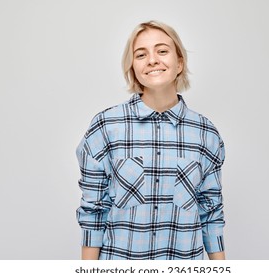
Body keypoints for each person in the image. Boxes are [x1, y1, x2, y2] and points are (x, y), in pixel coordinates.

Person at [76, 20, 226, 260]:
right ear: (132, 67)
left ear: (179, 63)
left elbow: (211, 212)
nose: (152, 60)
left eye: (162, 51)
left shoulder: (205, 133)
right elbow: (93, 211)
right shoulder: (106, 127)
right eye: (141, 54)